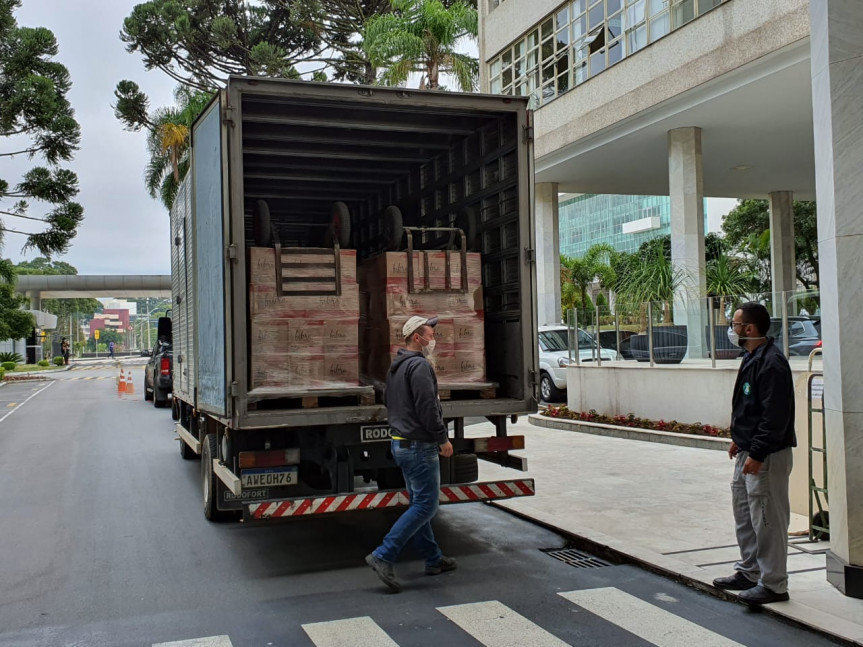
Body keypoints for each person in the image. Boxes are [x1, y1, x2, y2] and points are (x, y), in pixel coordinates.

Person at [713, 302, 796, 605]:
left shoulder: (771, 363)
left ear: (749, 328)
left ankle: (774, 583)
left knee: (767, 518)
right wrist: (740, 440)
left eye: (734, 324)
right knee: (745, 513)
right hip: (748, 450)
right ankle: (749, 571)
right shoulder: (752, 357)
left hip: (767, 454)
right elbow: (752, 408)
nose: (731, 330)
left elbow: (774, 416)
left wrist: (757, 451)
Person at [366, 314, 456, 593]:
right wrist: (442, 439)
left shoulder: (397, 366)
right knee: (426, 506)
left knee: (419, 503)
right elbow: (427, 407)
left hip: (401, 443)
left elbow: (390, 402)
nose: (433, 339)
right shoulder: (418, 366)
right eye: (430, 334)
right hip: (419, 445)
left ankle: (433, 558)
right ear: (417, 337)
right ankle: (383, 555)